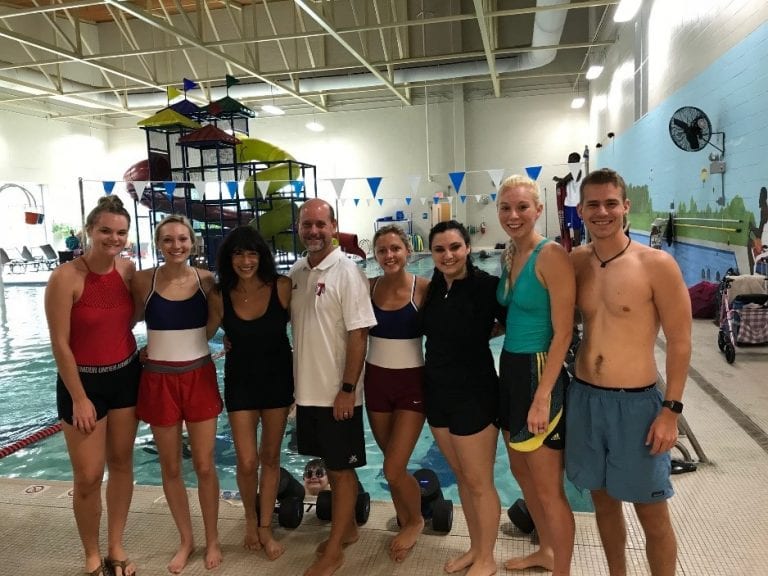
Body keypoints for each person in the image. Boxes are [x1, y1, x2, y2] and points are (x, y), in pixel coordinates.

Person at [567, 168, 691, 576]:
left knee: (652, 514)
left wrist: (670, 410)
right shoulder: (575, 263)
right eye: (593, 205)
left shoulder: (656, 264)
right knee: (603, 503)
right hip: (584, 398)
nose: (602, 212)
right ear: (581, 210)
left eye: (610, 203)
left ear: (625, 207)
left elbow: (680, 341)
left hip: (637, 404)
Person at [45, 196, 140, 576]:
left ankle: (116, 545)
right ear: (89, 230)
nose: (113, 238)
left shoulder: (128, 270)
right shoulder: (65, 277)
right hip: (81, 382)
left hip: (126, 375)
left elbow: (135, 318)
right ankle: (91, 554)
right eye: (105, 230)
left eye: (120, 232)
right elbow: (59, 343)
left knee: (121, 464)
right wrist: (79, 397)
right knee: (87, 476)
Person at [289, 198, 377, 576]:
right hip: (307, 393)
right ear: (298, 227)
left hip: (336, 394)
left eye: (320, 224)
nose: (313, 231)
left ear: (333, 226)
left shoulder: (347, 271)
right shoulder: (296, 271)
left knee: (340, 473)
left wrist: (347, 389)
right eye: (306, 224)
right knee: (335, 466)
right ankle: (351, 529)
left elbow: (360, 335)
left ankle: (335, 551)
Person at [131, 214, 223, 573]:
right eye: (168, 240)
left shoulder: (206, 281)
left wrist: (211, 341)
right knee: (171, 466)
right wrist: (136, 352)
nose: (176, 246)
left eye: (182, 239)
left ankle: (212, 538)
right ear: (158, 243)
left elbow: (216, 321)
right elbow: (126, 320)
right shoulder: (143, 280)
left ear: (193, 243)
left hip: (198, 375)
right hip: (158, 379)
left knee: (203, 464)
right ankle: (187, 540)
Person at [495, 175, 575, 575]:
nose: (513, 215)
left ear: (538, 209)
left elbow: (564, 331)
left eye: (522, 207)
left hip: (538, 369)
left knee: (548, 490)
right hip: (509, 368)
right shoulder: (512, 254)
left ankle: (562, 567)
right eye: (506, 208)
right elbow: (507, 317)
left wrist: (544, 395)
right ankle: (545, 550)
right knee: (519, 471)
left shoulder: (551, 255)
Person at [420, 220, 506, 576]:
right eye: (439, 249)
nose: (448, 255)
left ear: (468, 248)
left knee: (479, 481)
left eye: (454, 247)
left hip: (476, 393)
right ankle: (475, 547)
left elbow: (516, 325)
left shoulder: (488, 287)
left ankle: (487, 557)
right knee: (461, 475)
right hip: (437, 394)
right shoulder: (434, 287)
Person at [207, 225, 293, 560]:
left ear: (262, 256)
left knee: (270, 458)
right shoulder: (219, 295)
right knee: (246, 460)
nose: (246, 261)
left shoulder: (281, 287)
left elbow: (311, 327)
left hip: (277, 382)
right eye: (239, 254)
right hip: (241, 382)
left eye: (252, 253)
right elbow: (200, 336)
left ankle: (265, 527)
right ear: (229, 259)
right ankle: (248, 517)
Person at [365, 224, 429, 562]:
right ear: (375, 256)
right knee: (391, 459)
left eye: (395, 249)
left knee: (393, 466)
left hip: (411, 387)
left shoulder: (424, 289)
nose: (389, 255)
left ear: (407, 251)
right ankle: (404, 520)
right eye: (382, 250)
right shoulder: (368, 287)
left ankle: (416, 520)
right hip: (375, 383)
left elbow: (454, 326)